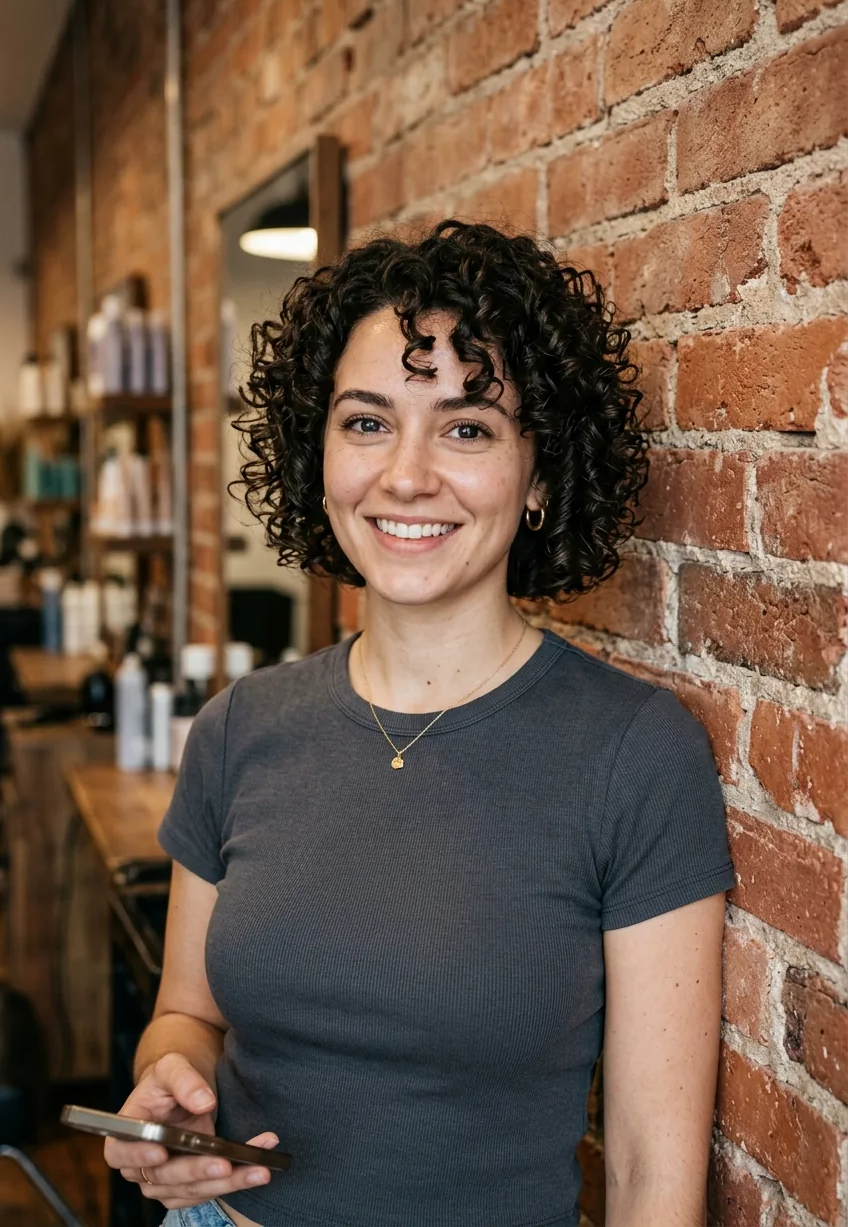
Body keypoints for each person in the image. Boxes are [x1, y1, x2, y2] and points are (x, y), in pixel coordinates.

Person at [104, 220, 735, 1227]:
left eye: (466, 427)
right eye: (365, 422)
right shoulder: (237, 729)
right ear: (317, 454)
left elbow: (650, 1175)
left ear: (538, 473)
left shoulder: (633, 753)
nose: (405, 475)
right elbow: (186, 1014)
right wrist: (168, 1094)